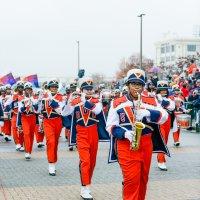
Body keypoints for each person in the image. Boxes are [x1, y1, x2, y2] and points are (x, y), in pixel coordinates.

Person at [106, 69, 169, 200]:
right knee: (131, 180)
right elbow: (110, 126)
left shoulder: (150, 101)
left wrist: (149, 113)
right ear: (128, 85)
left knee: (143, 179)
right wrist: (125, 134)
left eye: (139, 84)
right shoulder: (117, 103)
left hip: (146, 143)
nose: (136, 87)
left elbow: (164, 116)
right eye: (133, 84)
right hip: (126, 145)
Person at [62, 77, 109, 200]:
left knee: (92, 162)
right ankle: (85, 188)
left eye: (90, 88)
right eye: (86, 89)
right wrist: (69, 101)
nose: (89, 91)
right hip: (81, 133)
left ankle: (87, 184)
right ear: (81, 89)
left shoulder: (96, 100)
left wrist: (84, 101)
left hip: (93, 133)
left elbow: (98, 111)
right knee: (85, 161)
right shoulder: (76, 100)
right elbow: (64, 113)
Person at [40, 79, 64, 176]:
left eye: (55, 87)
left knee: (55, 143)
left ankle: (53, 161)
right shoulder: (44, 97)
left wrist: (51, 100)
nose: (53, 88)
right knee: (50, 142)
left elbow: (60, 110)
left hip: (57, 121)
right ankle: (51, 164)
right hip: (47, 121)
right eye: (52, 87)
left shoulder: (61, 97)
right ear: (49, 88)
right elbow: (40, 110)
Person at [156, 80, 175, 171]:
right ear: (158, 90)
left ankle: (160, 158)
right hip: (158, 121)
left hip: (167, 120)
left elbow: (172, 107)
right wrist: (158, 99)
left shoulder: (170, 98)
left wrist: (162, 100)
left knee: (165, 140)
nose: (163, 91)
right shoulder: (154, 97)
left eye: (164, 90)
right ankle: (161, 161)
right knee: (162, 140)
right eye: (161, 90)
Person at [17, 82, 39, 160]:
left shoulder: (34, 98)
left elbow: (37, 110)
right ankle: (26, 151)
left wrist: (33, 103)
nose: (28, 91)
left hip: (32, 117)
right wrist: (25, 105)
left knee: (31, 135)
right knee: (26, 133)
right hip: (24, 117)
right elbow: (20, 110)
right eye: (27, 90)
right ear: (24, 90)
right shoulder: (21, 98)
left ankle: (29, 151)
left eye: (30, 90)